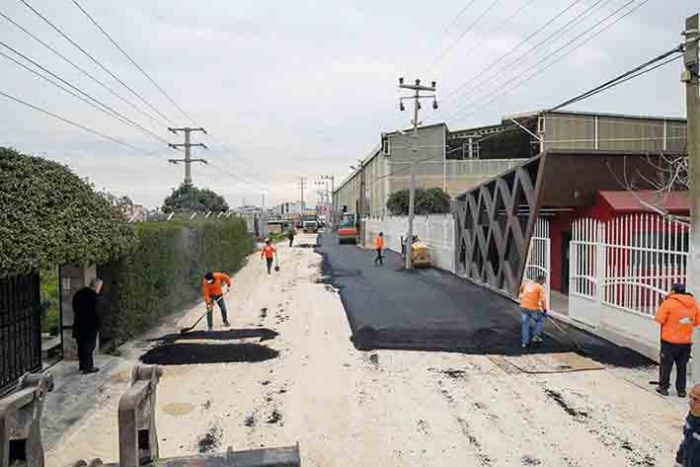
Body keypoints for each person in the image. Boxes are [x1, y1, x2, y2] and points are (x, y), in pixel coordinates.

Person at [655, 283, 699, 397]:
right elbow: (696, 322)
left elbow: (659, 319)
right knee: (682, 367)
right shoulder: (693, 303)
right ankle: (681, 390)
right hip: (685, 343)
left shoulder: (668, 303)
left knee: (666, 365)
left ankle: (663, 387)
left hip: (669, 342)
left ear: (673, 291)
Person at [72, 278, 103, 374]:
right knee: (89, 347)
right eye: (100, 287)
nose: (100, 289)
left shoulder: (78, 294)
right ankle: (88, 367)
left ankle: (82, 365)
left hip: (79, 324)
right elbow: (96, 312)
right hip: (90, 326)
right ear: (96, 286)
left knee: (81, 346)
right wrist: (99, 324)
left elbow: (74, 307)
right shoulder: (93, 297)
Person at [519, 275, 548, 349]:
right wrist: (544, 310)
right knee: (539, 320)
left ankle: (524, 343)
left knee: (525, 324)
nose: (543, 283)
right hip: (533, 308)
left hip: (524, 306)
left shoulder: (526, 283)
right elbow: (542, 300)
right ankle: (536, 336)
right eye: (543, 282)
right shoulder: (539, 287)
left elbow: (521, 290)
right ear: (540, 281)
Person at [674, 384, 700, 466]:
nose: (691, 403)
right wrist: (679, 461)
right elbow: (686, 440)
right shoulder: (692, 416)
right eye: (690, 397)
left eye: (696, 400)